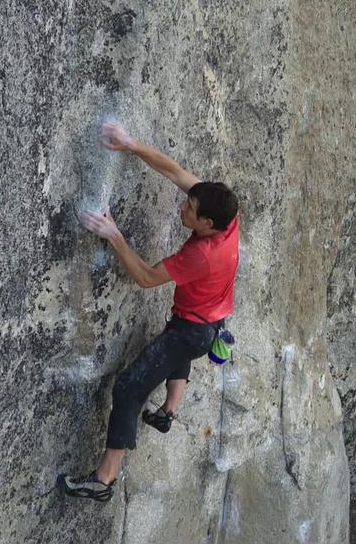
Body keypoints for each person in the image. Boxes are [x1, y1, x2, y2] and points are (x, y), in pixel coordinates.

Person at [60, 121, 240, 502]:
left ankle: (104, 480)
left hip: (192, 331)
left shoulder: (201, 255)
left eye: (189, 211)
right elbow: (174, 171)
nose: (182, 207)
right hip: (209, 321)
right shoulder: (226, 215)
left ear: (206, 224)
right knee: (177, 344)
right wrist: (131, 144)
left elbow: (145, 277)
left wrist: (114, 236)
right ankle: (168, 412)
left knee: (129, 387)